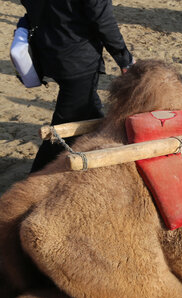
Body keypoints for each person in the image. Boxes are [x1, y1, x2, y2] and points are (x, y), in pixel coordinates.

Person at [17, 0, 134, 173]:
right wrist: (125, 60)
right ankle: (37, 176)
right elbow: (103, 20)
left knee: (92, 114)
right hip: (77, 60)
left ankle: (98, 164)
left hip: (49, 51)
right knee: (64, 125)